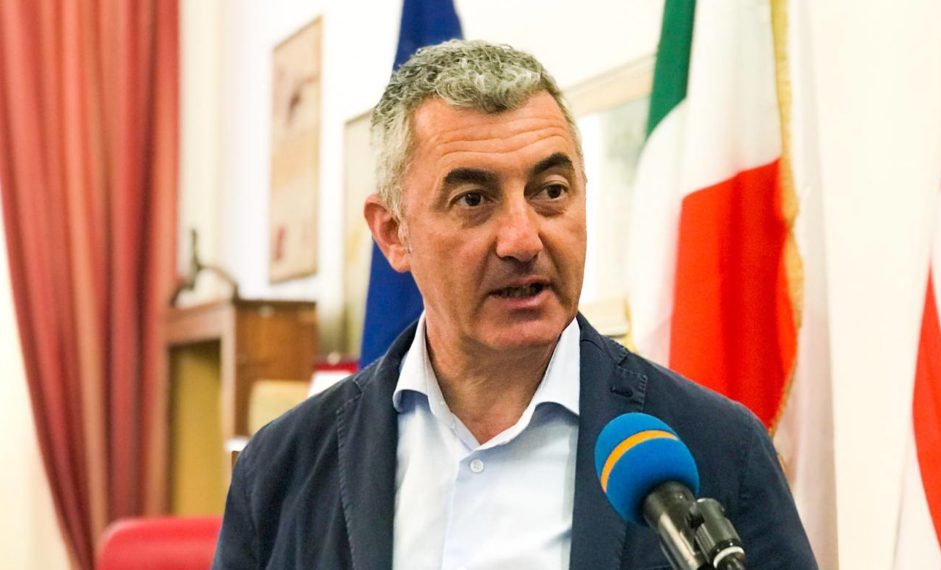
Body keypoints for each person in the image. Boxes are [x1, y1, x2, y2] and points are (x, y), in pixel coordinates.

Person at [212, 40, 815, 569]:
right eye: (473, 199)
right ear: (394, 233)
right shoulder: (282, 468)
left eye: (550, 191)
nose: (523, 240)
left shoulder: (716, 447)